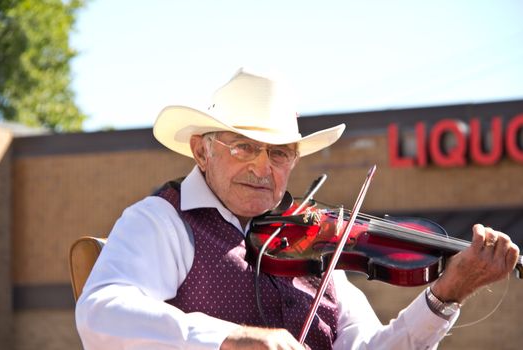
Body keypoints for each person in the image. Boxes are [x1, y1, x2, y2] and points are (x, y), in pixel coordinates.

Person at [75, 68, 520, 350]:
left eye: (279, 153)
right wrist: (231, 339)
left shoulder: (313, 242)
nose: (262, 168)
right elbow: (101, 312)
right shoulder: (159, 221)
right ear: (201, 151)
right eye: (244, 147)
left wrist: (446, 295)